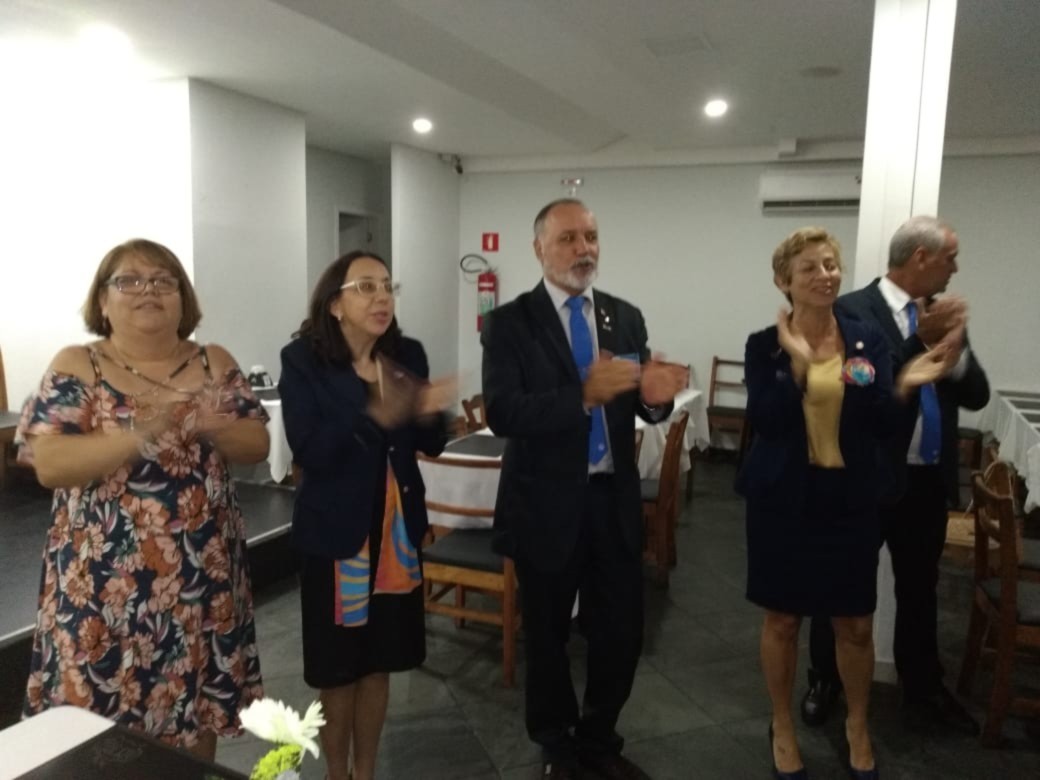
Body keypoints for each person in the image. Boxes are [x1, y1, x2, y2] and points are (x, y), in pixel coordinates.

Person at [15, 238, 269, 760]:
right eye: (128, 280)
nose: (147, 290)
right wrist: (140, 432)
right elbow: (51, 464)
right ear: (102, 301)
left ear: (183, 298)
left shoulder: (212, 361)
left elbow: (256, 445)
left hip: (201, 584)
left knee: (196, 713)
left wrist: (211, 423)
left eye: (162, 280)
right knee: (95, 733)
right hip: (101, 592)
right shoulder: (78, 364)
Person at [481, 199, 687, 780]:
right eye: (569, 238)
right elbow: (503, 411)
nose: (584, 249)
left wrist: (656, 397)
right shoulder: (510, 323)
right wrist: (581, 396)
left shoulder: (624, 317)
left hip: (611, 502)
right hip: (544, 506)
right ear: (539, 248)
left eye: (591, 237)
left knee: (620, 631)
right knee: (547, 635)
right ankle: (555, 741)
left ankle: (599, 737)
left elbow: (644, 407)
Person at [737, 227, 949, 780]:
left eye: (831, 264)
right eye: (810, 267)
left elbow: (881, 421)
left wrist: (906, 384)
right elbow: (769, 422)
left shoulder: (865, 339)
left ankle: (857, 723)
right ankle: (782, 724)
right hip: (783, 503)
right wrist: (799, 364)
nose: (825, 275)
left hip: (849, 501)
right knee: (783, 621)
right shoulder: (764, 345)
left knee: (854, 623)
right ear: (784, 281)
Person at [801, 216, 989, 737]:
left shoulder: (941, 313)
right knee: (840, 584)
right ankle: (825, 680)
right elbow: (852, 386)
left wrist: (955, 352)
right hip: (864, 477)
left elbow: (977, 395)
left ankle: (922, 687)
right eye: (950, 257)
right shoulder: (850, 311)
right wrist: (916, 345)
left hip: (925, 480)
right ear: (920, 258)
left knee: (921, 588)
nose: (956, 268)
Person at [279, 250, 451, 780]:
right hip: (336, 535)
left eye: (387, 286)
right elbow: (309, 448)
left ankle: (366, 772)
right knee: (338, 672)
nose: (382, 297)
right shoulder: (303, 360)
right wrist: (376, 414)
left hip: (395, 532)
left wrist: (431, 412)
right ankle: (338, 775)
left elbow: (431, 442)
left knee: (379, 664)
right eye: (366, 287)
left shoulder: (405, 354)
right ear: (335, 304)